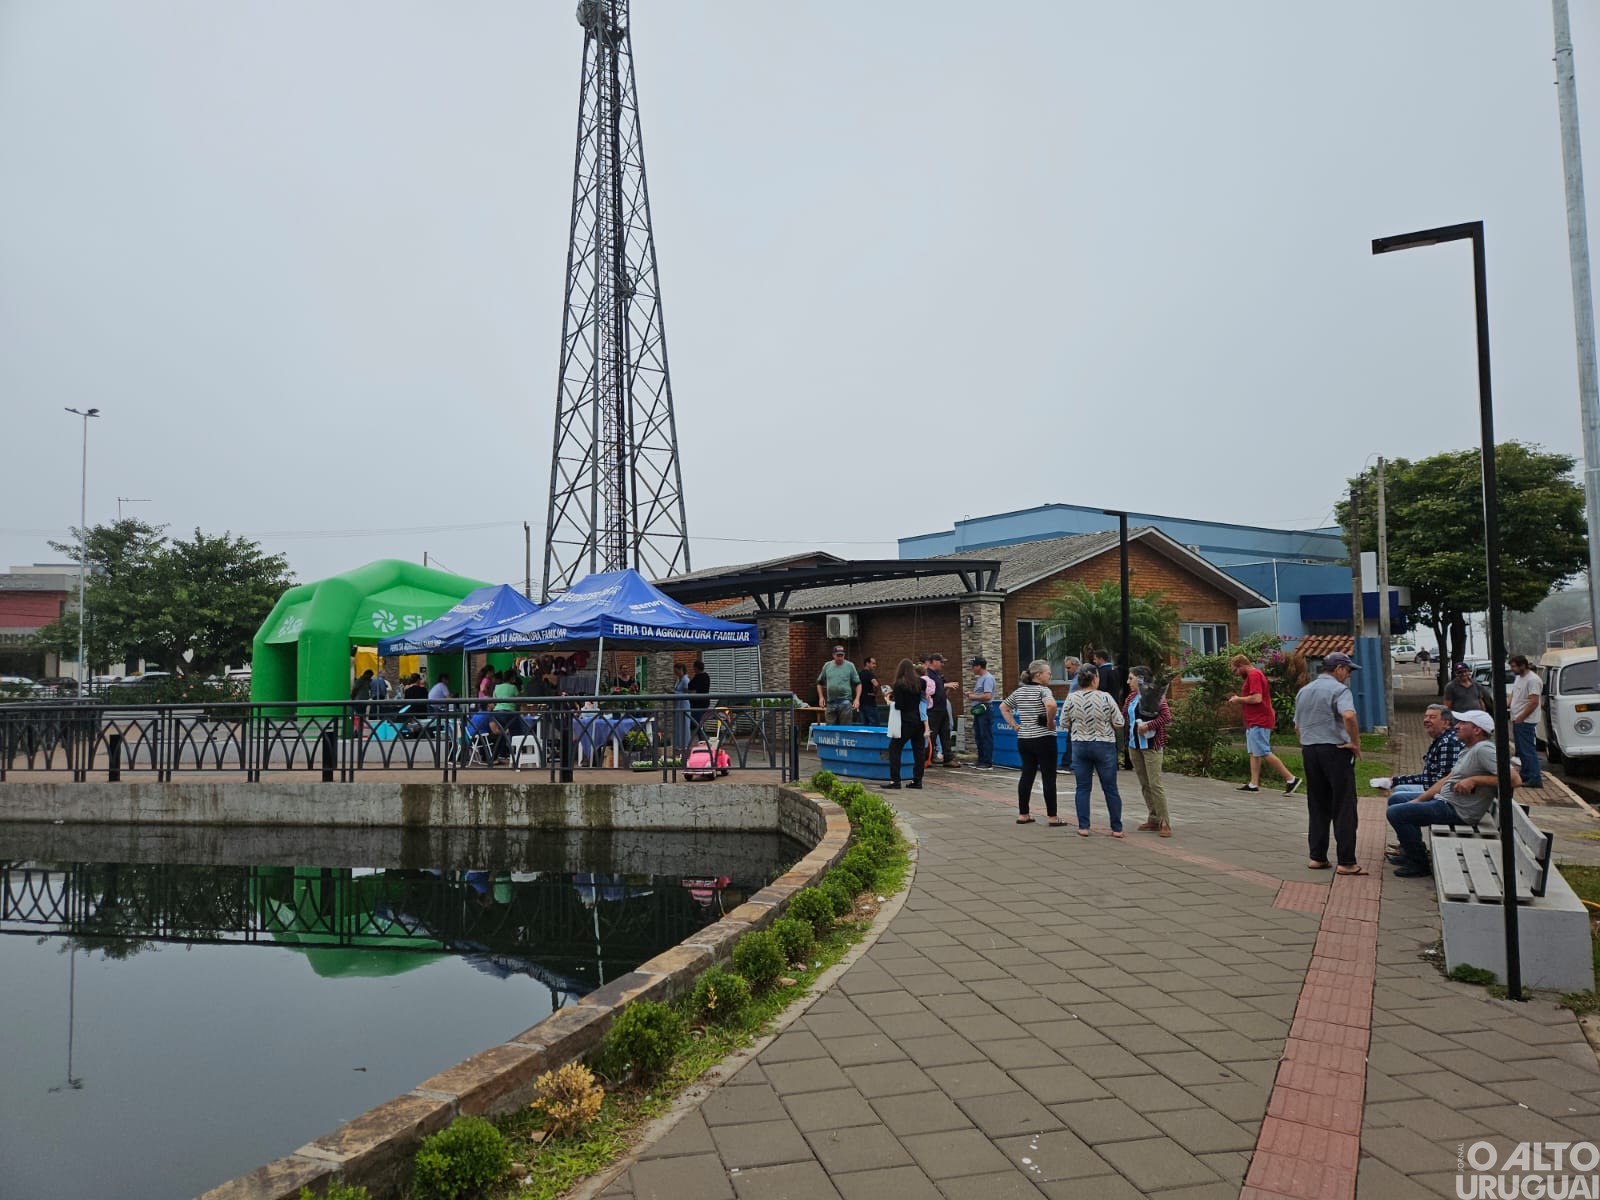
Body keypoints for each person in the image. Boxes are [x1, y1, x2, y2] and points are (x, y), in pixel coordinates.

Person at [1387, 709, 1520, 878]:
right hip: (1446, 800)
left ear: (1477, 730)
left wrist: (1475, 780)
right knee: (1397, 799)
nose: (1456, 726)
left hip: (1458, 810)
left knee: (1396, 813)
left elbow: (1515, 780)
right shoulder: (1469, 748)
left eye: (1463, 724)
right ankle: (1409, 851)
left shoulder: (1484, 750)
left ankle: (1418, 863)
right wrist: (1419, 799)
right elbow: (1447, 779)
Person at [1293, 651, 1363, 874]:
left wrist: (1307, 743)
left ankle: (1317, 857)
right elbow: (1349, 716)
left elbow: (1297, 726)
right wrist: (1354, 742)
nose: (1348, 676)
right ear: (1339, 669)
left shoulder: (1304, 691)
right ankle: (1347, 862)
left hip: (1310, 750)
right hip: (1335, 750)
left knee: (1318, 804)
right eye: (1348, 671)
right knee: (1344, 805)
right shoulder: (1339, 690)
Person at [1061, 664, 1126, 836]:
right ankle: (1116, 828)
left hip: (1080, 744)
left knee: (1082, 787)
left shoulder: (1072, 698)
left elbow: (1064, 722)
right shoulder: (1105, 697)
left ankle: (1083, 826)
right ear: (1095, 679)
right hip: (1104, 744)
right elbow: (1119, 722)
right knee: (1110, 787)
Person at [1228, 654, 1299, 795]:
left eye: (1235, 671)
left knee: (1263, 751)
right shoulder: (1252, 676)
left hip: (1260, 720)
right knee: (1254, 752)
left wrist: (1238, 699)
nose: (1235, 674)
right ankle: (1253, 783)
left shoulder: (1254, 675)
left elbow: (1257, 698)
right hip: (1253, 720)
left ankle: (1291, 778)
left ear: (1241, 665)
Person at [1000, 659, 1060, 823]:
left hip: (1024, 738)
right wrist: (1050, 722)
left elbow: (1003, 707)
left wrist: (1014, 725)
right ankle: (1052, 816)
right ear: (1038, 675)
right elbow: (1052, 706)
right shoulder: (1043, 690)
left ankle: (1023, 813)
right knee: (1048, 776)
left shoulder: (1019, 691)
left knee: (1027, 774)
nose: (1050, 675)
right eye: (1048, 673)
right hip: (1044, 737)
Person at [1378, 704, 1462, 805]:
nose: (1426, 720)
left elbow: (1442, 781)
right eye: (1426, 716)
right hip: (1432, 787)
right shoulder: (1441, 739)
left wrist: (1420, 799)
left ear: (1445, 722)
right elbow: (1429, 777)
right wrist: (1394, 781)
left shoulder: (1448, 742)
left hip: (1443, 796)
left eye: (1432, 717)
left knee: (1396, 798)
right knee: (1399, 788)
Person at [1125, 666, 1173, 836]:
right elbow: (1126, 716)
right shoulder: (1131, 697)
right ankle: (1153, 817)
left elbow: (1166, 717)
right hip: (1134, 745)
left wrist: (1149, 726)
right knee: (1145, 784)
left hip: (1151, 745)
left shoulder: (1155, 695)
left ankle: (1164, 821)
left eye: (1131, 678)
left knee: (1155, 783)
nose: (1128, 682)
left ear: (1140, 679)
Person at [884, 658, 926, 791]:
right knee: (918, 750)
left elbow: (900, 706)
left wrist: (890, 701)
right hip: (919, 720)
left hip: (906, 721)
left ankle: (895, 781)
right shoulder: (921, 682)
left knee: (894, 748)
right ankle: (917, 780)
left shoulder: (899, 684)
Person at [1508, 654, 1544, 788]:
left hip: (1526, 721)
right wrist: (1508, 704)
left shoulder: (1532, 680)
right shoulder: (1519, 678)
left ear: (1523, 665)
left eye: (1514, 666)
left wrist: (1521, 718)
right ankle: (1525, 774)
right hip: (1517, 719)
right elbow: (1514, 694)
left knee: (1528, 750)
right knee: (1521, 751)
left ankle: (1534, 777)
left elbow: (1533, 702)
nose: (1512, 669)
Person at [1092, 650, 1130, 768]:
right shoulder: (1115, 671)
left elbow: (1102, 687)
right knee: (1115, 732)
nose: (1094, 661)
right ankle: (1118, 760)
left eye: (1095, 658)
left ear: (1101, 659)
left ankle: (1110, 761)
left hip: (1103, 706)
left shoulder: (1102, 672)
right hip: (1115, 704)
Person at [816, 646, 861, 726]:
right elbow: (819, 682)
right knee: (830, 728)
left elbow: (858, 684)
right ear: (833, 655)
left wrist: (857, 699)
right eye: (838, 655)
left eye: (842, 655)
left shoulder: (850, 666)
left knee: (845, 728)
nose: (840, 657)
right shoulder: (827, 666)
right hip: (831, 702)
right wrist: (821, 697)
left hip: (845, 701)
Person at [924, 652, 955, 766]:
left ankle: (948, 758)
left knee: (945, 734)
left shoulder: (937, 675)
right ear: (934, 662)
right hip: (933, 710)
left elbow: (940, 692)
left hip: (942, 709)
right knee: (931, 735)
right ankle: (927, 758)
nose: (942, 664)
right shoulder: (928, 675)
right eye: (941, 662)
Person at [965, 657, 996, 770]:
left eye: (973, 666)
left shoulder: (987, 678)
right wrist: (972, 694)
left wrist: (973, 697)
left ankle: (987, 762)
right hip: (979, 709)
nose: (972, 668)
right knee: (978, 735)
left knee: (985, 735)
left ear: (979, 666)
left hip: (985, 709)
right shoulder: (981, 678)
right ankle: (981, 760)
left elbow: (988, 696)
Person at [687, 658, 712, 740]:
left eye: (694, 667)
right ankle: (702, 739)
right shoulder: (704, 676)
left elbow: (695, 689)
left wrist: (687, 691)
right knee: (697, 722)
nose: (693, 669)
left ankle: (703, 739)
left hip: (699, 703)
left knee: (696, 722)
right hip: (701, 702)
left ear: (697, 668)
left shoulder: (700, 677)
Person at [672, 661, 692, 751]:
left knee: (684, 724)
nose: (676, 673)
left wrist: (674, 693)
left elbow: (687, 692)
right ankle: (678, 744)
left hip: (683, 704)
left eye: (677, 671)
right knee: (678, 724)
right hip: (678, 704)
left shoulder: (685, 680)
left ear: (681, 670)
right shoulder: (678, 679)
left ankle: (685, 744)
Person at [858, 656, 882, 727]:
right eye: (873, 663)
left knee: (865, 726)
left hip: (861, 704)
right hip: (870, 703)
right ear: (867, 663)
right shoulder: (870, 674)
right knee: (875, 725)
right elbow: (876, 684)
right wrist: (875, 693)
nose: (875, 666)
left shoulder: (860, 674)